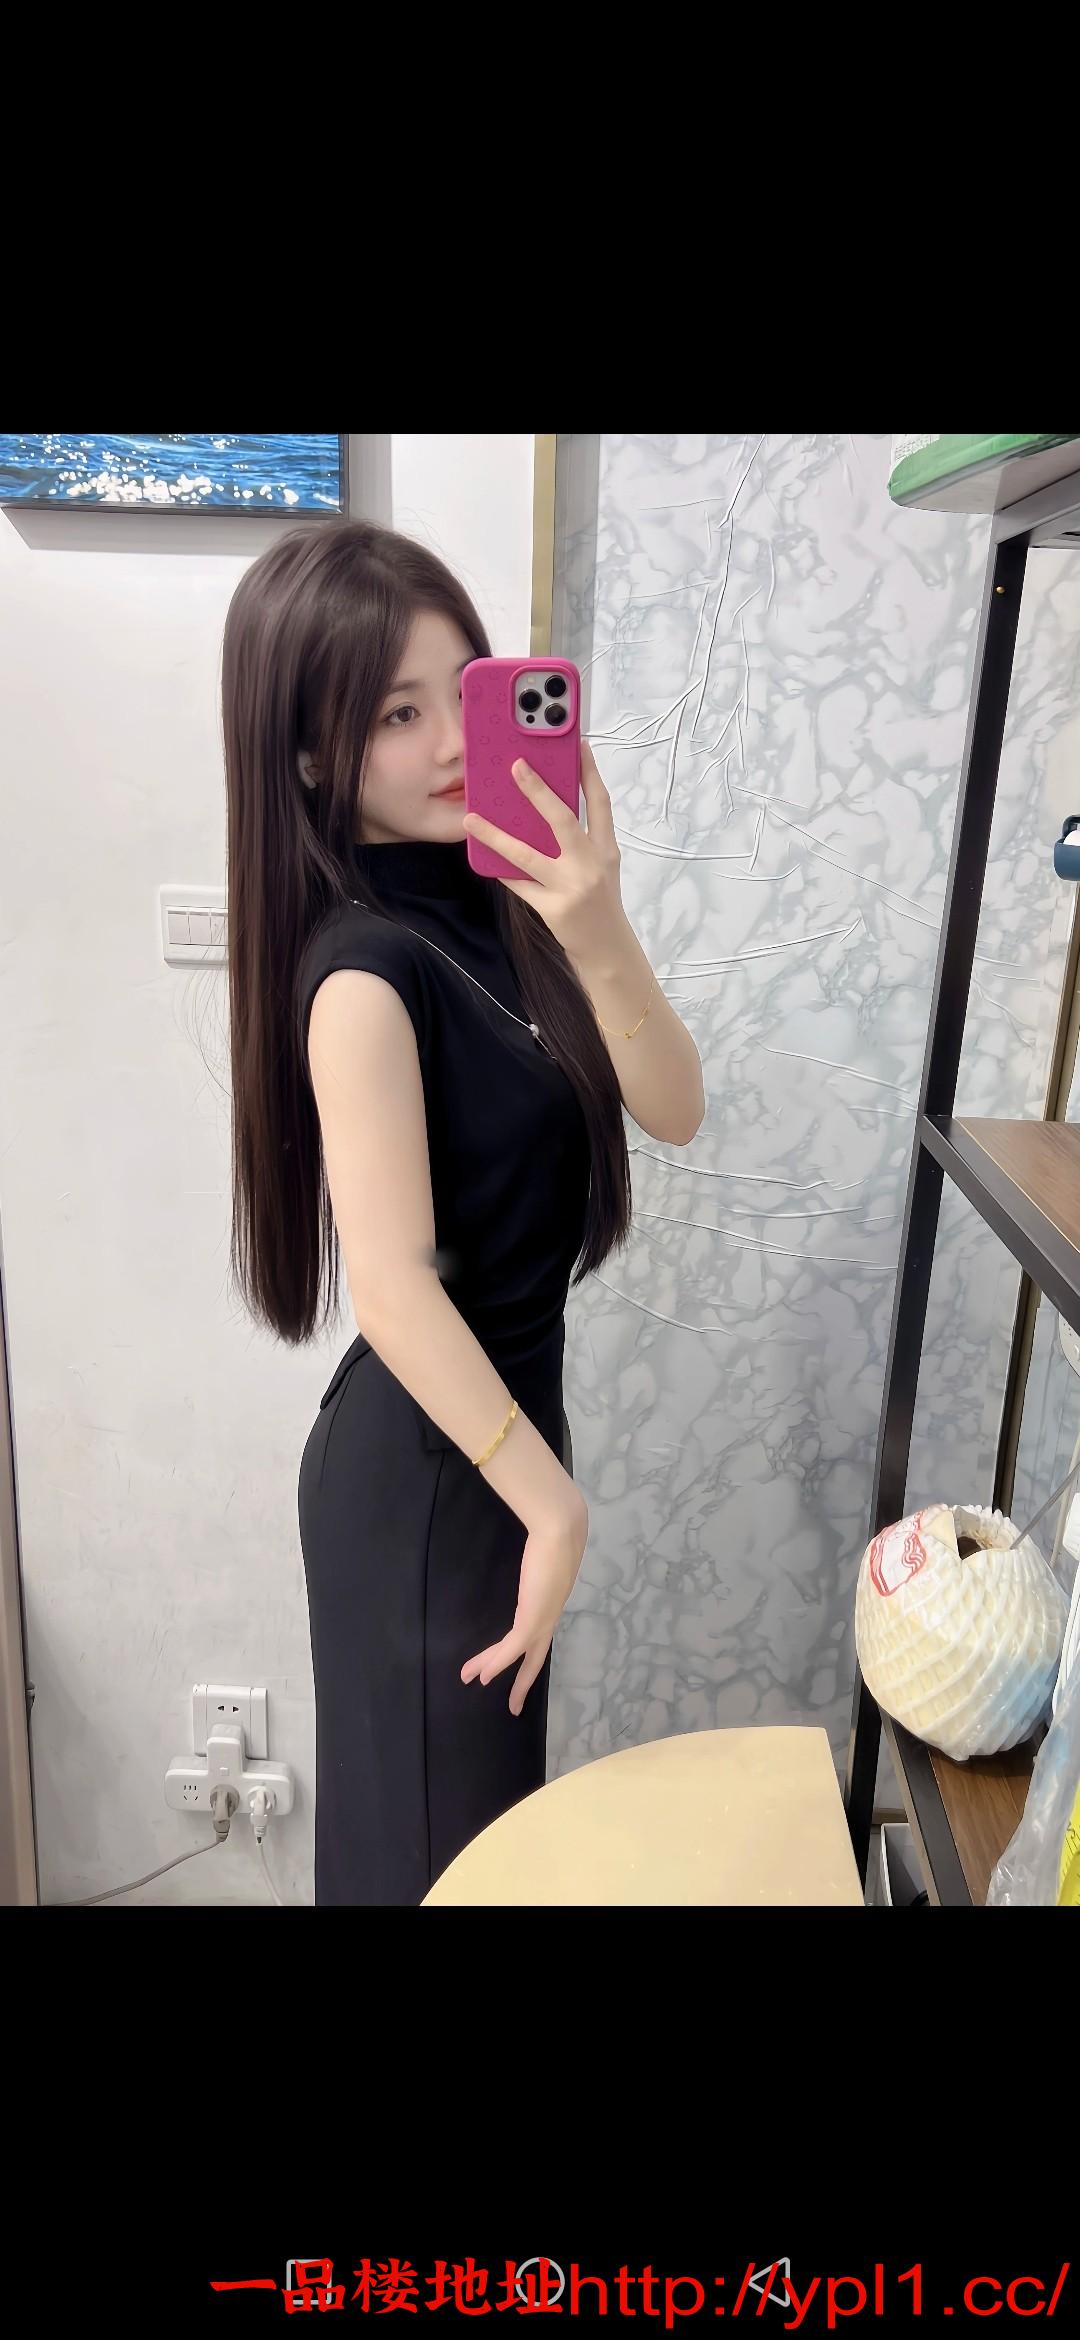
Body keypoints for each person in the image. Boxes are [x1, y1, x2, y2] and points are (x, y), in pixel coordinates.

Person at [222, 519, 705, 1905]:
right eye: (396, 712)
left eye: (464, 691)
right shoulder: (363, 973)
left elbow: (674, 1106)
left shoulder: (511, 908)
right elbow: (391, 1286)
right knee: (437, 1869)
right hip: (433, 1487)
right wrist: (554, 1508)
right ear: (309, 754)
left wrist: (598, 920)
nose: (449, 742)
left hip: (496, 1458)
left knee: (477, 1858)